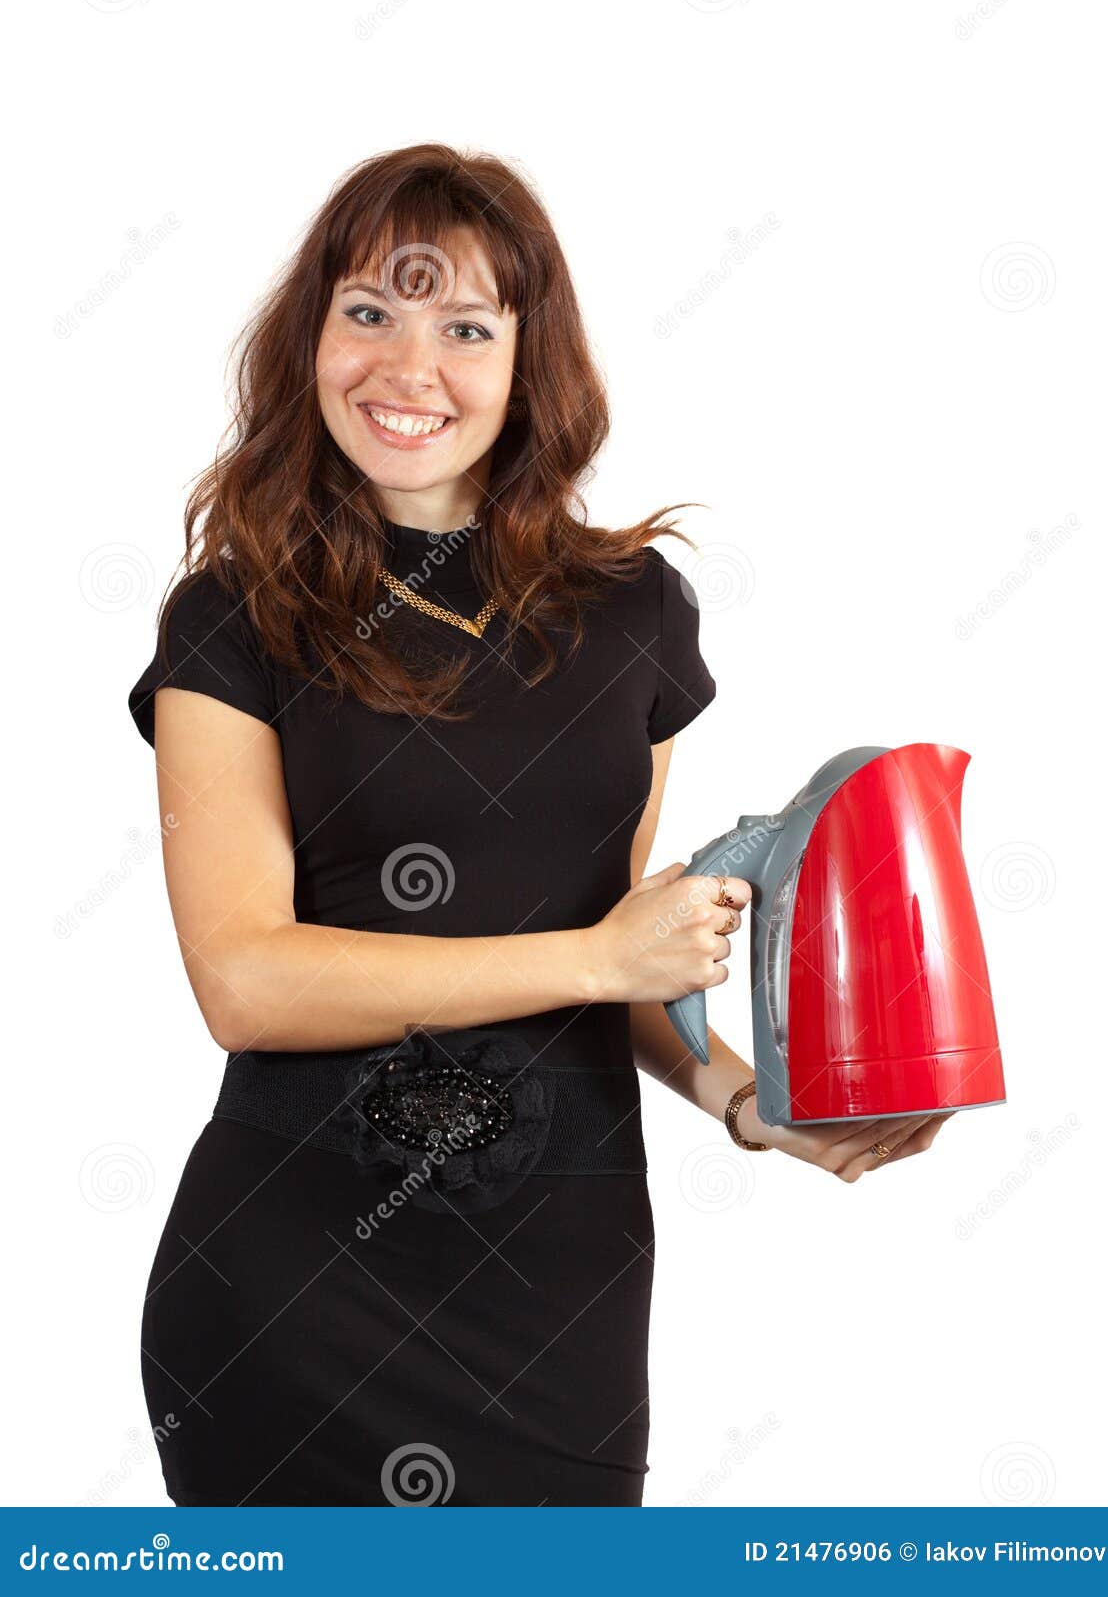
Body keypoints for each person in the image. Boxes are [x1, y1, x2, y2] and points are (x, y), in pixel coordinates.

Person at [128, 143, 949, 1507]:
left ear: (529, 362)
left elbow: (625, 958)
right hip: (292, 1298)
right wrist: (599, 958)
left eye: (465, 327)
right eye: (369, 311)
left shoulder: (633, 613)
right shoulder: (233, 619)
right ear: (310, 335)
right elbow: (246, 980)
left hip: (559, 1301)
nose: (409, 368)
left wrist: (749, 1101)